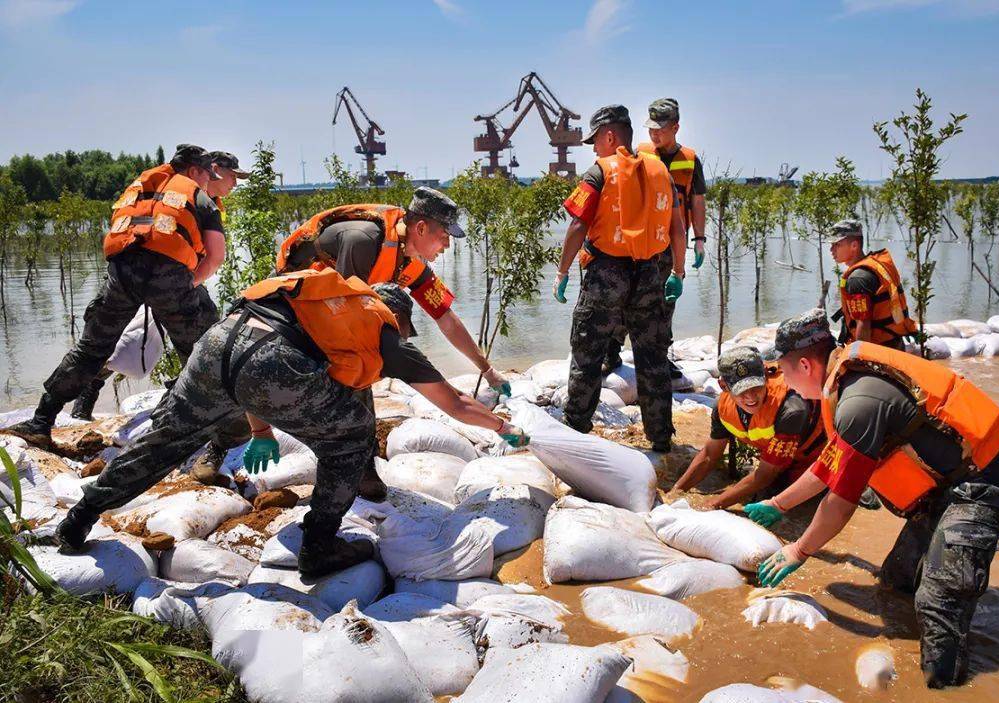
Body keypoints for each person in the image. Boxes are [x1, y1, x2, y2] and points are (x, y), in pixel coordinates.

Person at [51, 269, 530, 579]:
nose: (405, 338)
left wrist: (259, 429)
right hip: (267, 361)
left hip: (216, 346)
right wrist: (501, 427)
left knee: (163, 444)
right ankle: (319, 546)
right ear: (398, 316)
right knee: (350, 437)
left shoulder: (321, 303)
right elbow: (455, 402)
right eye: (406, 329)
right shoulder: (385, 332)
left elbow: (250, 364)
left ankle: (77, 521)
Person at [744, 308, 999, 689]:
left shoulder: (857, 403)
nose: (787, 385)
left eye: (785, 373)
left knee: (938, 601)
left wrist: (799, 551)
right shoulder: (845, 380)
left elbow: (840, 502)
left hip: (982, 490)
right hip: (944, 492)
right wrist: (777, 506)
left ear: (806, 365)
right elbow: (829, 465)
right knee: (896, 581)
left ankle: (945, 687)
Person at [5, 145, 227, 447]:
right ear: (193, 171)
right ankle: (206, 431)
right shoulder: (199, 197)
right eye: (206, 175)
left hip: (123, 273)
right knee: (199, 351)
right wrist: (190, 283)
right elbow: (215, 257)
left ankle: (41, 421)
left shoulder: (139, 190)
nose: (208, 182)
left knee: (90, 348)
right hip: (170, 276)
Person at [68, 150, 248, 423]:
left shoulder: (205, 200)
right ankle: (88, 396)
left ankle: (180, 396)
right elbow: (143, 226)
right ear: (215, 170)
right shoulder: (182, 193)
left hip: (181, 278)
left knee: (206, 335)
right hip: (150, 275)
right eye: (234, 176)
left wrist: (185, 283)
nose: (235, 183)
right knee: (126, 340)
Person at [277, 187, 512, 395]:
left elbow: (445, 317)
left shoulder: (411, 261)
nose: (447, 245)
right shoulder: (364, 240)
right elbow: (349, 317)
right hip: (292, 303)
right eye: (443, 236)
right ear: (420, 228)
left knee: (395, 322)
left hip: (330, 309)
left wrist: (488, 370)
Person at [553, 104, 687, 453]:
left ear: (609, 135)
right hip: (650, 272)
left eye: (595, 140)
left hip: (606, 273)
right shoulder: (661, 171)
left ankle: (576, 430)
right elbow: (677, 227)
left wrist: (563, 271)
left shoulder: (599, 172)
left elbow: (578, 224)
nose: (594, 147)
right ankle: (660, 439)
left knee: (588, 351)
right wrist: (678, 272)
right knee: (652, 356)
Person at [603, 98, 708, 376]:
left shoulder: (690, 160)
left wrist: (699, 239)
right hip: (640, 243)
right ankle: (611, 353)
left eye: (660, 128)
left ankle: (659, 357)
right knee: (629, 297)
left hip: (671, 244)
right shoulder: (640, 153)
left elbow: (697, 201)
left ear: (676, 127)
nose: (654, 134)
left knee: (666, 302)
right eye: (650, 128)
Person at [671, 346, 824, 509]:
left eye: (756, 386)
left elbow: (766, 474)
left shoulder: (791, 409)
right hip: (774, 454)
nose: (750, 396)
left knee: (784, 499)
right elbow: (709, 455)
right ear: (724, 386)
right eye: (741, 390)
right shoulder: (722, 408)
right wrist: (676, 492)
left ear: (765, 376)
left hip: (813, 458)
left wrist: (712, 505)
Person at [829, 219, 917, 350]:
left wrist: (859, 359)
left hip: (879, 351)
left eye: (837, 245)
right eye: (831, 244)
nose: (831, 249)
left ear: (854, 245)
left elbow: (863, 324)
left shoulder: (857, 279)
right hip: (895, 343)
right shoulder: (873, 264)